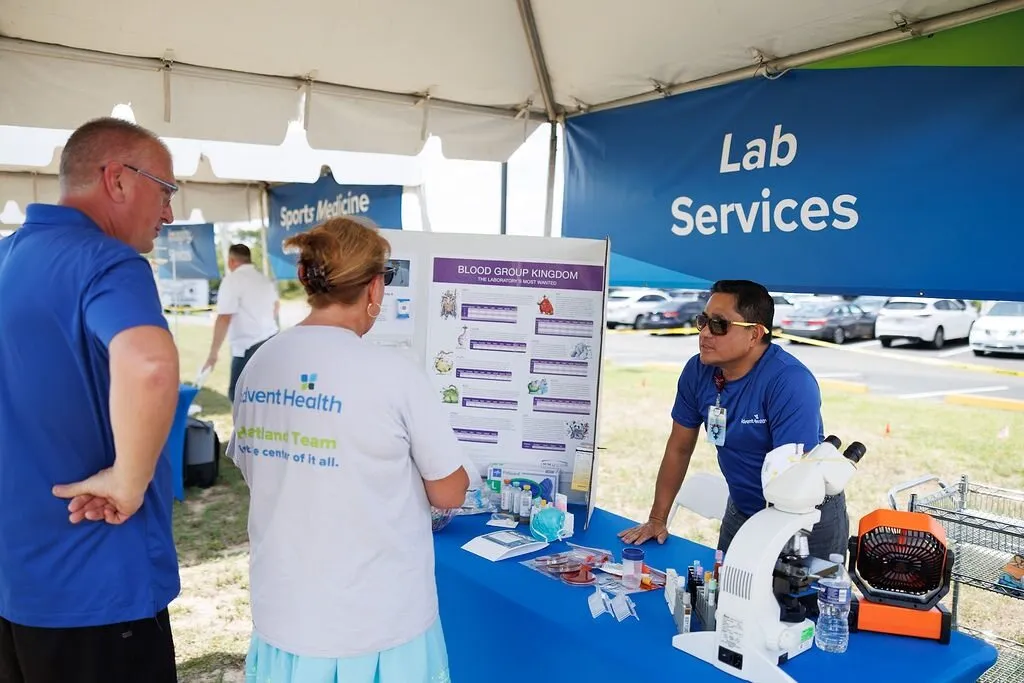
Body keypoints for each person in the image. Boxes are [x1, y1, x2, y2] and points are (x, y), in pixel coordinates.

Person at [228, 216, 473, 683]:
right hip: (378, 624)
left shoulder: (260, 363)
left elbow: (254, 468)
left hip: (285, 612)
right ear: (375, 287)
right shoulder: (393, 373)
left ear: (306, 280)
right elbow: (449, 492)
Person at [0, 117, 182, 681]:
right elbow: (150, 363)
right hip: (99, 583)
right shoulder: (105, 259)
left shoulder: (7, 256)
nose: (170, 213)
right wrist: (129, 481)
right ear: (119, 180)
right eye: (166, 190)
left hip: (17, 582)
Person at [618, 280, 849, 561]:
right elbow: (679, 447)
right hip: (742, 509)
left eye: (719, 324)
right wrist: (657, 518)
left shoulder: (789, 381)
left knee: (802, 604)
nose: (704, 333)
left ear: (754, 333)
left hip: (804, 518)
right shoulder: (697, 371)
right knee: (724, 597)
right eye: (702, 321)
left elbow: (791, 478)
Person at [203, 243, 279, 401]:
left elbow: (224, 317)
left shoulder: (232, 281)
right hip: (271, 341)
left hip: (248, 346)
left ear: (231, 261)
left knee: (238, 396)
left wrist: (213, 353)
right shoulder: (264, 280)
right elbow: (276, 307)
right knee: (267, 395)